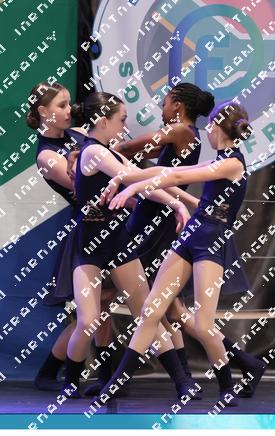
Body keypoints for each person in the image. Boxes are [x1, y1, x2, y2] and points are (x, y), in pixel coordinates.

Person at [97, 102, 266, 406]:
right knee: (151, 311)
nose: (207, 132)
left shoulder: (233, 164)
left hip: (211, 242)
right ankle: (113, 384)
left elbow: (174, 179)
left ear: (215, 127)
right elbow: (168, 171)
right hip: (191, 236)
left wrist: (130, 189)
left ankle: (227, 386)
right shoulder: (220, 159)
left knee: (202, 325)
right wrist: (123, 178)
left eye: (209, 127)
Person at [58, 91, 198, 399]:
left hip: (118, 243)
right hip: (89, 247)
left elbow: (143, 185)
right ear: (103, 120)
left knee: (147, 312)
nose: (125, 127)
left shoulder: (109, 153)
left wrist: (178, 203)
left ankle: (182, 382)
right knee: (88, 320)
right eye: (122, 120)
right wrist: (178, 196)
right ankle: (70, 379)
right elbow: (134, 177)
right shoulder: (93, 153)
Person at [25, 81, 117, 392]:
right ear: (43, 111)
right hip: (88, 227)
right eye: (61, 105)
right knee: (92, 311)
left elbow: (108, 160)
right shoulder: (46, 156)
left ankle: (100, 375)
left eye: (69, 103)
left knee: (100, 307)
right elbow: (83, 185)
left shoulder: (78, 134)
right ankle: (62, 373)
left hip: (109, 222)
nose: (69, 110)